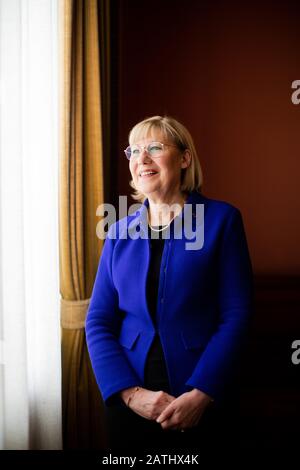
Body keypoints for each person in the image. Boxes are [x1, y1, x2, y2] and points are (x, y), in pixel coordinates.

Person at [85, 115, 253, 451]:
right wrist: (131, 395)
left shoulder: (223, 221)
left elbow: (237, 315)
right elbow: (98, 321)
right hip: (130, 399)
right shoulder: (118, 232)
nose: (141, 159)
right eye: (133, 151)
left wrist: (203, 393)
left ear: (185, 158)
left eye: (154, 148)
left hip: (203, 396)